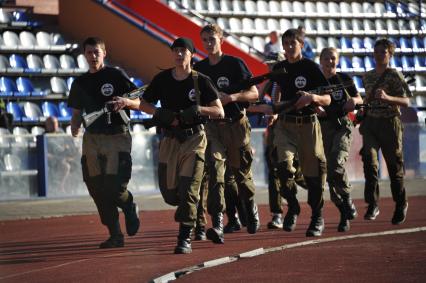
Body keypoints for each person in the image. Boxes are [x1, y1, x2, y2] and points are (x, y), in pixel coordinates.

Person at [115, 37, 224, 254]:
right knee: (170, 194)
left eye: (183, 50)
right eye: (175, 50)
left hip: (194, 140)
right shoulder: (162, 79)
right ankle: (187, 209)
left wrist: (198, 110)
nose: (179, 54)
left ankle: (184, 237)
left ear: (191, 54)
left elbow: (219, 111)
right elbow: (145, 103)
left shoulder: (201, 81)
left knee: (190, 189)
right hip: (169, 140)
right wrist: (158, 113)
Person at [256, 28, 331, 237]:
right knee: (282, 167)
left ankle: (317, 217)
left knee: (313, 173)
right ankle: (293, 205)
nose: (289, 47)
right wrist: (275, 109)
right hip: (285, 126)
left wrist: (313, 98)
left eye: (293, 43)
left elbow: (328, 99)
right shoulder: (279, 68)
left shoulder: (311, 67)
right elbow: (276, 87)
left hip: (308, 124)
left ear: (301, 44)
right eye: (286, 43)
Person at [68, 37, 140, 249]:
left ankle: (129, 205)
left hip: (117, 136)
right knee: (96, 188)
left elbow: (139, 101)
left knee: (114, 187)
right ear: (84, 54)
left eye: (96, 52)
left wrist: (125, 102)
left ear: (104, 53)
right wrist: (75, 125)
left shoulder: (115, 75)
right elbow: (77, 111)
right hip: (92, 139)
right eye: (89, 52)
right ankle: (115, 234)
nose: (92, 57)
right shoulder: (79, 83)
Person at [194, 24, 260, 244]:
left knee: (241, 176)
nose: (208, 43)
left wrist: (231, 97)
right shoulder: (199, 69)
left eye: (212, 38)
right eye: (204, 40)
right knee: (216, 174)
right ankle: (218, 224)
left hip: (236, 125)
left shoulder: (235, 64)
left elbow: (254, 94)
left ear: (221, 39)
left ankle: (250, 207)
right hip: (213, 128)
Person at [360, 38, 411, 225]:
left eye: (383, 51)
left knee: (394, 167)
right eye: (377, 51)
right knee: (369, 161)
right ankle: (372, 203)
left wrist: (388, 97)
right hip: (372, 123)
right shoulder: (367, 76)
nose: (379, 54)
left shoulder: (394, 75)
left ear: (390, 54)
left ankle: (400, 203)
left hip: (390, 123)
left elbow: (406, 102)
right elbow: (367, 100)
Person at [318, 47, 363, 232]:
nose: (330, 62)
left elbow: (358, 98)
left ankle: (347, 202)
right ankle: (344, 209)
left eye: (333, 58)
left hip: (342, 126)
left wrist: (355, 102)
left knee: (337, 163)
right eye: (327, 58)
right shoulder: (316, 81)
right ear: (321, 61)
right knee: (330, 175)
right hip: (323, 127)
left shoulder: (345, 79)